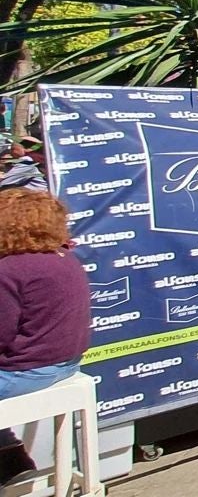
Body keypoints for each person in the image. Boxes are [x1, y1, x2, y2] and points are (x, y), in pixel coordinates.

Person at [0, 189, 91, 485]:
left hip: (26, 371)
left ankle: (11, 459)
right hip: (66, 364)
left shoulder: (9, 268)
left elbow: (2, 335)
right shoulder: (65, 258)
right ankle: (12, 456)